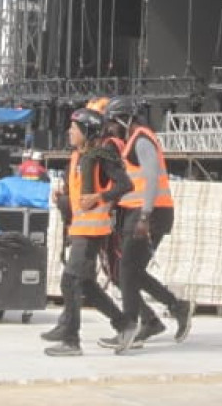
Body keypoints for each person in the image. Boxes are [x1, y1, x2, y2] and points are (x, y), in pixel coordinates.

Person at [98, 97, 194, 353]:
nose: (111, 128)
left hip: (151, 213)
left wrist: (144, 216)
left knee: (127, 269)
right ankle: (175, 307)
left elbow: (151, 178)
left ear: (123, 119)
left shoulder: (142, 139)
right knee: (131, 270)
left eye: (113, 122)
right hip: (140, 212)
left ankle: (129, 326)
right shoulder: (132, 141)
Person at [42, 108, 130, 356]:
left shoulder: (101, 155)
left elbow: (125, 184)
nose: (69, 132)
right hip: (81, 228)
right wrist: (65, 197)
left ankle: (71, 340)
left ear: (87, 131)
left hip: (93, 229)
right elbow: (80, 195)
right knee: (87, 285)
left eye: (74, 128)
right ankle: (124, 324)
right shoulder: (78, 156)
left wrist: (100, 196)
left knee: (69, 280)